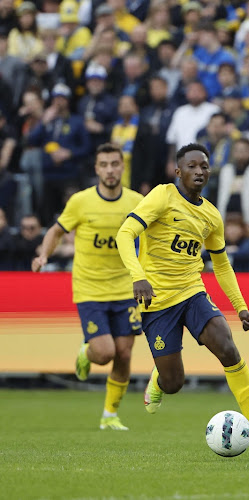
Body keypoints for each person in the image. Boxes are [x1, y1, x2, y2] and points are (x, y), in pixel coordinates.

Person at [115, 143, 249, 451]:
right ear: (178, 171)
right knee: (174, 383)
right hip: (157, 302)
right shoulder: (162, 195)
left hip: (192, 292)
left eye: (204, 166)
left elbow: (221, 264)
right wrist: (138, 277)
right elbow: (125, 234)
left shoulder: (211, 215)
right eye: (191, 166)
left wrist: (241, 307)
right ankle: (160, 380)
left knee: (227, 346)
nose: (199, 171)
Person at [31, 144, 144, 431]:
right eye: (103, 164)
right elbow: (57, 230)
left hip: (125, 288)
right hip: (90, 289)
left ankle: (110, 415)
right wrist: (44, 254)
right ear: (96, 169)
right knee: (105, 353)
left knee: (125, 353)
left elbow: (155, 233)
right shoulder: (81, 202)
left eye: (114, 164)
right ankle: (86, 352)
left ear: (122, 167)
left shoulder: (137, 201)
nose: (109, 170)